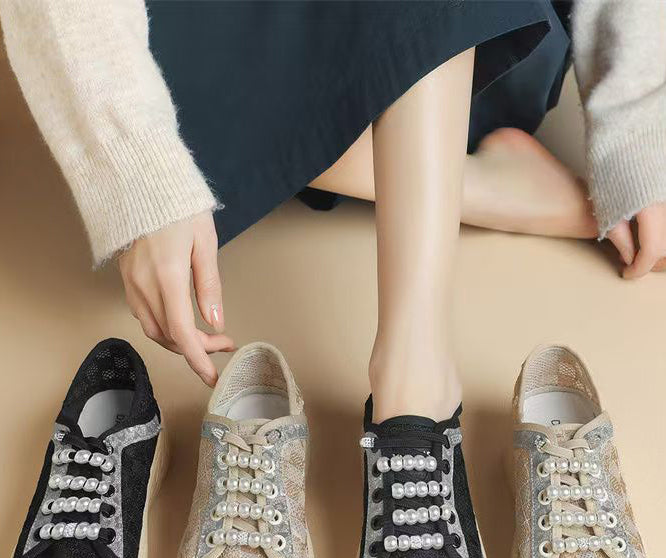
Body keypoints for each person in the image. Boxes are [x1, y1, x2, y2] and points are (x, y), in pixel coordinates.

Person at [1, 0, 665, 424]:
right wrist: (137, 176)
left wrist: (638, 126)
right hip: (246, 44)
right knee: (131, 94)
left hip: (471, 35)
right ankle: (478, 186)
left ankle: (415, 391)